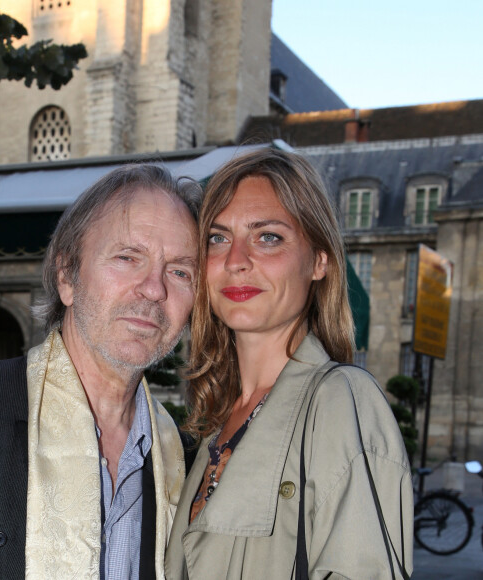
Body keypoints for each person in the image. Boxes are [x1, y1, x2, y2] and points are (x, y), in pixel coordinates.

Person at [0, 164, 201, 580]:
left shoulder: (186, 462)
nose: (154, 288)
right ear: (67, 277)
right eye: (127, 257)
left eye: (180, 271)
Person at [165, 148, 413, 579]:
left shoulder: (341, 402)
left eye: (268, 237)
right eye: (217, 238)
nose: (236, 259)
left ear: (320, 261)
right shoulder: (216, 422)